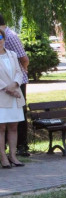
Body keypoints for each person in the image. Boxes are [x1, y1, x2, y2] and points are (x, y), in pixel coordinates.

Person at [0, 16, 29, 156]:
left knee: (15, 124)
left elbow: (22, 61)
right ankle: (4, 156)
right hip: (3, 92)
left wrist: (15, 84)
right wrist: (8, 88)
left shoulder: (10, 37)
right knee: (2, 127)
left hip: (16, 87)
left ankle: (18, 150)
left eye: (0, 37)